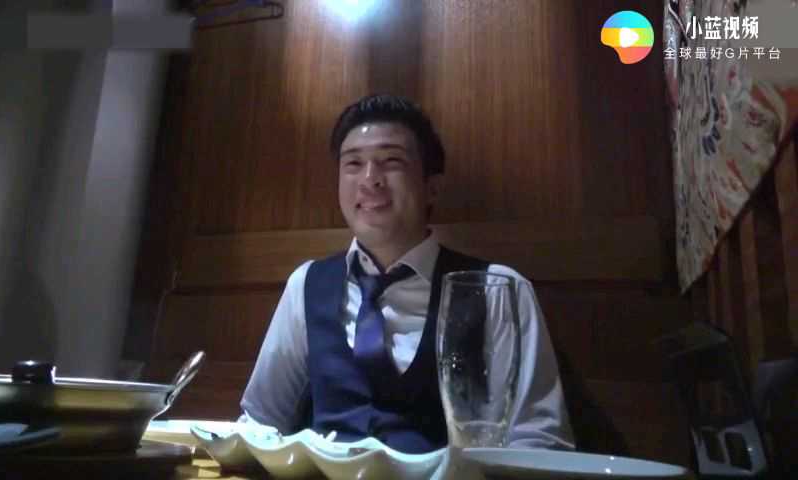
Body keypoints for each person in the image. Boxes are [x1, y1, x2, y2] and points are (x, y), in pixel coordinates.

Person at [239, 94, 574, 453]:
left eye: (391, 161)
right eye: (353, 163)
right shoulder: (306, 284)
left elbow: (539, 439)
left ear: (432, 187)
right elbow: (260, 421)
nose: (370, 179)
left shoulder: (496, 289)